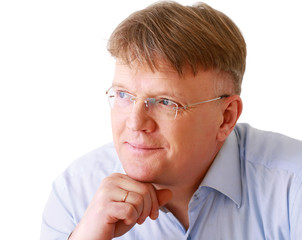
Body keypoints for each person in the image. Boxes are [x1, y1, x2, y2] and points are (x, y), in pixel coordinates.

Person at [40, 1, 302, 239]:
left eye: (166, 102)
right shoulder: (75, 193)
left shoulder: (293, 186)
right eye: (123, 95)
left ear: (225, 118)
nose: (135, 123)